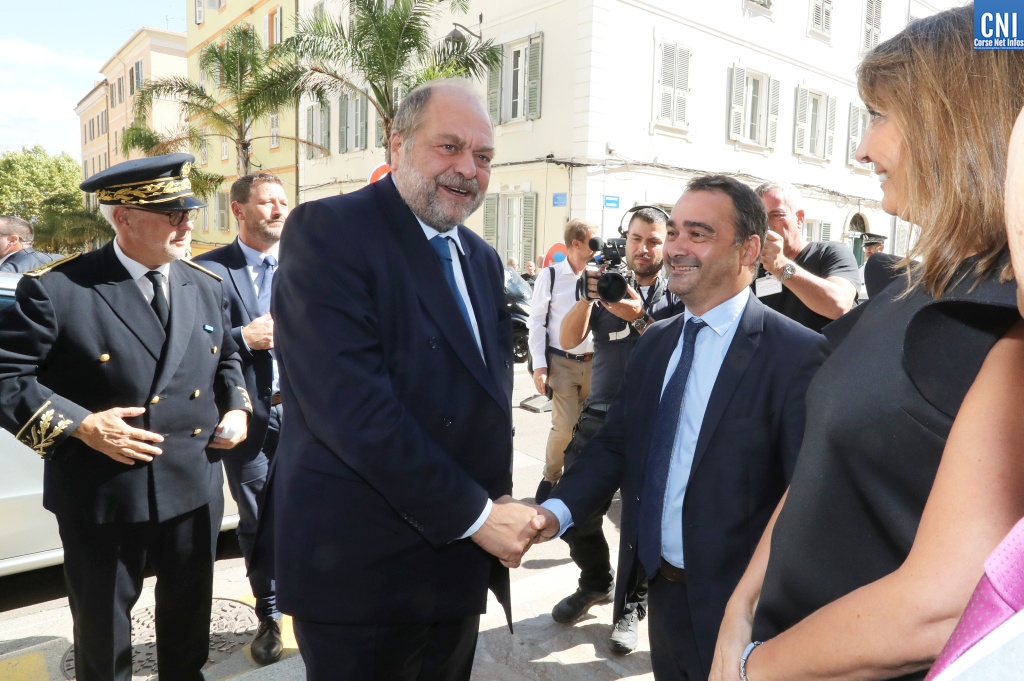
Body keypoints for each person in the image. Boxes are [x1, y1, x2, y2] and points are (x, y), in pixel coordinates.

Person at [709, 8, 1024, 681]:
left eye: (880, 114)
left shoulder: (1004, 322)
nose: (861, 147)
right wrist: (739, 611)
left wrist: (752, 669)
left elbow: (937, 608)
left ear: (954, 123)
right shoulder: (911, 289)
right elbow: (821, 463)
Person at [257, 79, 543, 681]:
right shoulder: (328, 230)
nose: (468, 169)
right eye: (449, 147)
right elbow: (353, 411)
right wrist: (481, 518)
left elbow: (482, 405)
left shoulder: (481, 258)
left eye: (483, 156)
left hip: (458, 563)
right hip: (364, 575)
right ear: (398, 144)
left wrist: (497, 507)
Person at [536, 174, 828, 681]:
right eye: (673, 233)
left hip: (745, 618)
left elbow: (808, 502)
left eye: (698, 234)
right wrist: (553, 513)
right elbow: (616, 445)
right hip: (660, 595)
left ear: (748, 249)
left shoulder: (798, 355)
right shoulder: (656, 342)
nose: (675, 248)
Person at [0, 153, 252, 681]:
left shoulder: (203, 283)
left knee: (188, 623)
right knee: (103, 630)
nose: (188, 224)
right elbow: (7, 379)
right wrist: (81, 426)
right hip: (103, 488)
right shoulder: (58, 289)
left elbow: (225, 354)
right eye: (173, 215)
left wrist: (237, 406)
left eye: (189, 212)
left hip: (191, 480)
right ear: (124, 218)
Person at [550, 206, 684, 653]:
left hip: (657, 419)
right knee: (571, 510)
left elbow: (680, 350)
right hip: (601, 416)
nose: (644, 248)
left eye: (654, 240)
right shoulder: (604, 282)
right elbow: (568, 340)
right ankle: (596, 581)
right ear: (625, 240)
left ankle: (630, 605)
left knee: (643, 522)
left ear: (666, 243)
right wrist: (590, 297)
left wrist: (638, 315)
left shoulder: (679, 290)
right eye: (636, 239)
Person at [193, 172, 288, 665]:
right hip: (247, 418)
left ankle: (315, 602)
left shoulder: (307, 265)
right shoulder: (207, 271)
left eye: (283, 202)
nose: (278, 210)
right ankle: (269, 615)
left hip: (307, 417)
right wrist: (241, 338)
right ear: (238, 210)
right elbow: (192, 347)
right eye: (268, 202)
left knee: (317, 509)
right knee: (258, 518)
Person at [528, 218, 598, 502]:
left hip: (596, 362)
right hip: (562, 363)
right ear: (576, 243)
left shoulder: (599, 274)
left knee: (591, 427)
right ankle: (551, 477)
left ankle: (579, 480)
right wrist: (540, 366)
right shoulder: (551, 276)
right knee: (565, 426)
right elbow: (536, 321)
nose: (598, 248)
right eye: (593, 242)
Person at [753, 182, 860, 331]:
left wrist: (781, 267)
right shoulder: (752, 265)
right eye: (760, 218)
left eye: (776, 215)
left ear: (800, 218)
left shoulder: (831, 253)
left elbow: (839, 305)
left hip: (825, 354)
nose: (767, 225)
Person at [857, 232, 888, 300]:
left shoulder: (889, 267)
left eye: (871, 247)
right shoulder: (861, 269)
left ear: (881, 247)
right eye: (866, 248)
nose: (867, 251)